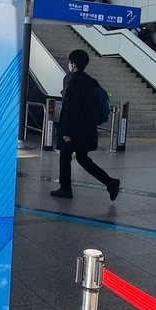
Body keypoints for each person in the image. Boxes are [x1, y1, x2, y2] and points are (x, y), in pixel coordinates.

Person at [50, 49, 120, 202]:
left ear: (73, 64)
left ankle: (66, 189)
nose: (69, 65)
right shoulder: (91, 81)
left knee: (65, 156)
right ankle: (110, 183)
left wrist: (67, 132)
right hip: (87, 129)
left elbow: (71, 110)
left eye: (70, 62)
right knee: (82, 158)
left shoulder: (73, 82)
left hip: (74, 129)